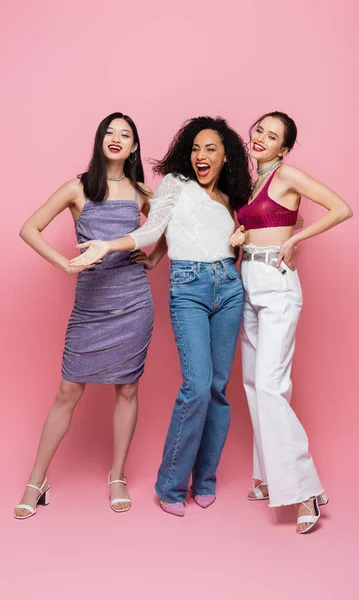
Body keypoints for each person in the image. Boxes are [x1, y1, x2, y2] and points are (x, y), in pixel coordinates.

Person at [69, 116, 252, 517]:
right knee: (198, 386)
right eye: (196, 148)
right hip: (189, 289)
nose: (201, 156)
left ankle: (204, 480)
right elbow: (153, 229)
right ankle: (170, 486)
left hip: (229, 285)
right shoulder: (175, 184)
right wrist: (110, 246)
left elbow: (274, 222)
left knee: (219, 390)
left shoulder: (229, 198)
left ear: (226, 157)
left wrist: (248, 235)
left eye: (211, 149)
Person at [14, 112, 154, 519]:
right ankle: (36, 480)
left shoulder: (142, 191)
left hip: (133, 301)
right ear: (100, 140)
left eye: (125, 134)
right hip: (91, 303)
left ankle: (117, 475)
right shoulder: (77, 187)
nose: (116, 138)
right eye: (109, 132)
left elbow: (165, 228)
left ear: (134, 147)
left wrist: (154, 256)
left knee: (127, 388)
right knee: (67, 391)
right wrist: (63, 263)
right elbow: (29, 228)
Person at [229, 111, 353, 533]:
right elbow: (279, 218)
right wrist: (242, 234)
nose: (261, 137)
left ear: (284, 148)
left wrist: (295, 241)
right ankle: (268, 477)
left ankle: (305, 491)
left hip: (278, 285)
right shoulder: (252, 182)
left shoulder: (288, 174)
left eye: (272, 135)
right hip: (249, 283)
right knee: (251, 382)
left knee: (269, 385)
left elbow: (340, 208)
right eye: (259, 129)